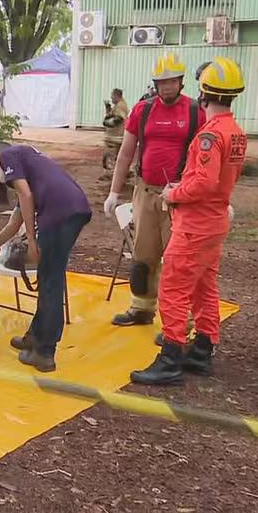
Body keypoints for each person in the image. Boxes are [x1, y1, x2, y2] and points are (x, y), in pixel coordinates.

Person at [130, 57, 246, 385]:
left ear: (203, 91)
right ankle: (203, 349)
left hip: (195, 223)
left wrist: (173, 194)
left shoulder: (210, 135)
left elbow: (203, 183)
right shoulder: (236, 132)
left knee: (173, 287)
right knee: (204, 286)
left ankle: (171, 358)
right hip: (214, 221)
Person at [104, 53, 205, 335]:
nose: (167, 87)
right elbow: (125, 154)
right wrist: (114, 192)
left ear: (181, 82)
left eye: (172, 81)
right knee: (143, 256)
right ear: (155, 84)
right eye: (162, 82)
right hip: (145, 192)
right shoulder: (142, 110)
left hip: (180, 198)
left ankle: (179, 324)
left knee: (178, 262)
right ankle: (141, 308)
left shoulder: (196, 112)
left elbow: (206, 159)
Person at [0, 142, 91, 372]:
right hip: (73, 207)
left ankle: (44, 352)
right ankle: (35, 336)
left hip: (59, 212)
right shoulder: (28, 164)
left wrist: (31, 240)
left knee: (50, 281)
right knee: (48, 275)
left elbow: (25, 194)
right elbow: (14, 223)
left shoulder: (8, 155)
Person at [101, 88, 129, 180]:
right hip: (115, 137)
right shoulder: (118, 105)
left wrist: (107, 122)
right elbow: (113, 115)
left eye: (112, 96)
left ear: (117, 96)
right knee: (116, 157)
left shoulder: (120, 106)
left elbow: (118, 119)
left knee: (109, 156)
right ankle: (121, 173)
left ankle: (111, 175)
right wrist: (108, 109)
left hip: (115, 138)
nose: (111, 98)